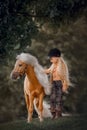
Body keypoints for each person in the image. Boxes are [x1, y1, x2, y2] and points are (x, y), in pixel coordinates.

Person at [43, 48, 70, 119]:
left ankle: (58, 112)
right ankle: (53, 111)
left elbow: (64, 75)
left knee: (59, 98)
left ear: (57, 57)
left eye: (52, 58)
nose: (50, 59)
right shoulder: (53, 65)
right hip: (54, 83)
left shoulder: (62, 66)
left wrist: (65, 84)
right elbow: (49, 70)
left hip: (60, 82)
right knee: (52, 97)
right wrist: (40, 71)